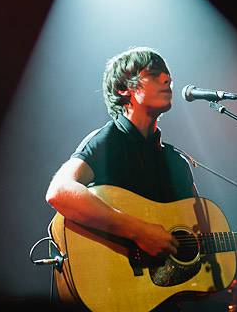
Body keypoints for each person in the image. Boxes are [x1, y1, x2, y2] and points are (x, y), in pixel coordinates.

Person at [45, 46, 197, 311]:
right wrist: (139, 232)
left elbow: (196, 231)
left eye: (168, 75)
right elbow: (60, 191)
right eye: (155, 74)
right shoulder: (107, 141)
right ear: (123, 89)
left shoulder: (176, 162)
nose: (167, 79)